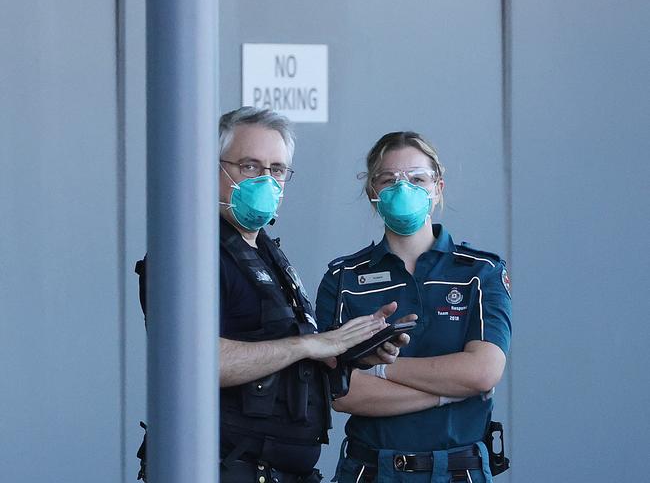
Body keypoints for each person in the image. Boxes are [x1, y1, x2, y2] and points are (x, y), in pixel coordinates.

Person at [135, 107, 412, 483]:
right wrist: (307, 346)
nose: (266, 181)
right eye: (250, 166)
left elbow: (277, 358)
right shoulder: (188, 250)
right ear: (210, 168)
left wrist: (347, 355)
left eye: (277, 170)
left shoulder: (265, 252)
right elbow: (192, 362)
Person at [315, 131, 512, 483]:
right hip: (370, 469)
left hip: (457, 470)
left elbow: (482, 372)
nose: (403, 189)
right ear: (373, 193)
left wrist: (379, 371)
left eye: (417, 179)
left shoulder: (480, 272)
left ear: (438, 188)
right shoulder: (343, 278)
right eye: (389, 180)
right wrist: (449, 394)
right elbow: (340, 393)